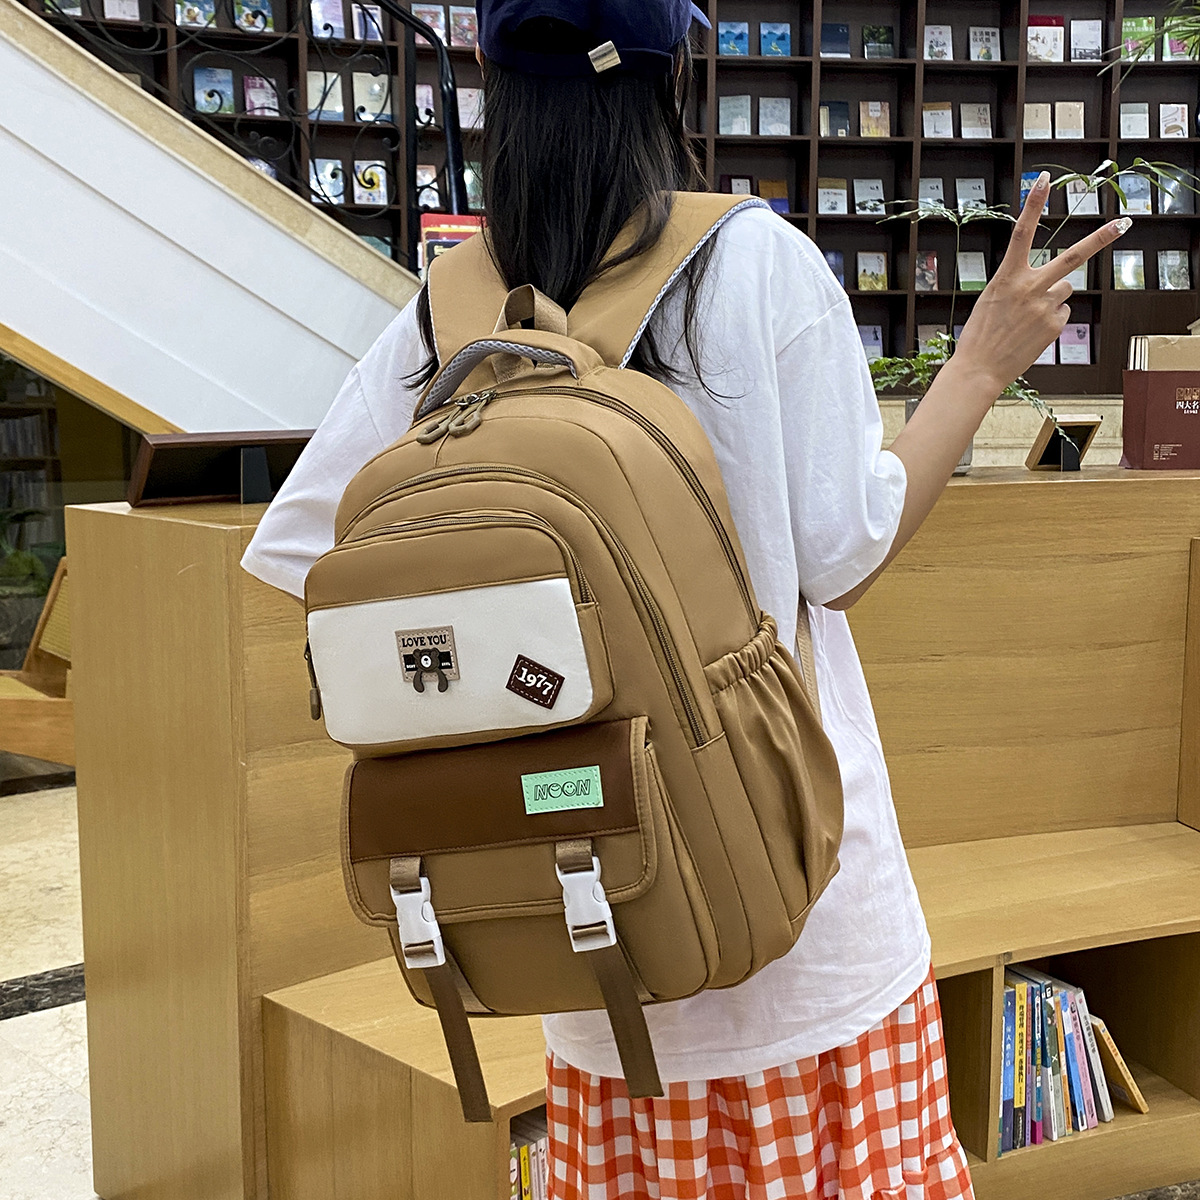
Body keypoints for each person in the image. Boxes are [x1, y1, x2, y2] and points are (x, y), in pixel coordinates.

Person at [241, 3, 1128, 1196]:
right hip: (799, 904)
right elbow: (846, 555)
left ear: (496, 84)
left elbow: (308, 548)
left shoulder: (450, 310)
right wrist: (978, 365)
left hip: (586, 913)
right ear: (672, 75)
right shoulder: (756, 260)